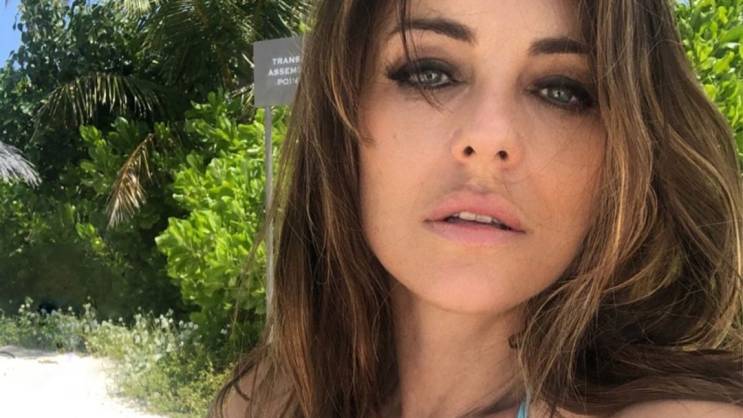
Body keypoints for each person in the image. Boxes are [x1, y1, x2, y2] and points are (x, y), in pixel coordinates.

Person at [210, 0, 743, 417]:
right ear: (341, 112)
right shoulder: (263, 404)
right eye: (429, 72)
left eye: (562, 90)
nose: (489, 137)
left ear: (626, 154)